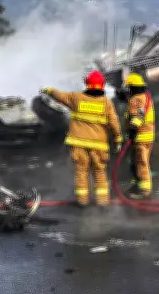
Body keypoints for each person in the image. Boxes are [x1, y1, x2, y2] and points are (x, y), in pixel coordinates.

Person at [41, 70, 123, 206]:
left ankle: (82, 200)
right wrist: (118, 139)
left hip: (78, 144)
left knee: (81, 172)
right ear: (102, 85)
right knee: (99, 171)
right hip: (98, 146)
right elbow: (114, 123)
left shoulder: (76, 98)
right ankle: (102, 201)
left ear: (87, 84)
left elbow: (60, 96)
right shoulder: (106, 103)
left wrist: (48, 90)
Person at [122, 73, 155, 200]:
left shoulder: (137, 99)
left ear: (132, 87)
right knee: (136, 163)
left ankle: (144, 190)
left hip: (141, 136)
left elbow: (139, 115)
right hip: (144, 136)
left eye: (128, 88)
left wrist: (133, 129)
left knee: (141, 163)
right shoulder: (143, 96)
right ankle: (137, 185)